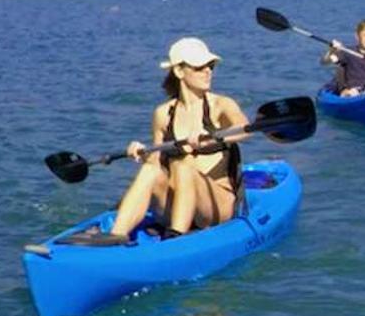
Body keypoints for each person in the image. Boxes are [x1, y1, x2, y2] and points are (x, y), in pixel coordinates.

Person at [76, 37, 250, 245]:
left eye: (210, 66)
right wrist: (143, 154)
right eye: (199, 67)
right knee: (151, 171)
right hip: (177, 204)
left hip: (215, 206)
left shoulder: (221, 105)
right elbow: (156, 165)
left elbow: (244, 129)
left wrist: (213, 137)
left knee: (184, 167)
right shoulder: (163, 114)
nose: (208, 71)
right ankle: (117, 234)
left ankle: (175, 239)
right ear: (179, 71)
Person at [321, 18, 365, 96]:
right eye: (364, 35)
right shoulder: (348, 52)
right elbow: (325, 62)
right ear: (357, 36)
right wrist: (331, 50)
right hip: (352, 89)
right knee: (351, 93)